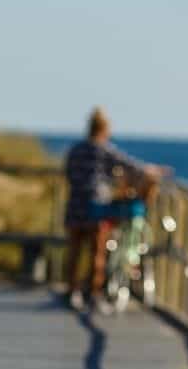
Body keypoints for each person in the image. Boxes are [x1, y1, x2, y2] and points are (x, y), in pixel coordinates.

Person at [63, 108, 169, 312]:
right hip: (94, 205)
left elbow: (68, 173)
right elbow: (130, 165)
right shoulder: (103, 149)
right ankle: (94, 293)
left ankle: (73, 291)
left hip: (74, 204)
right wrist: (153, 171)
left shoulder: (75, 150)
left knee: (74, 251)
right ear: (104, 129)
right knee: (97, 252)